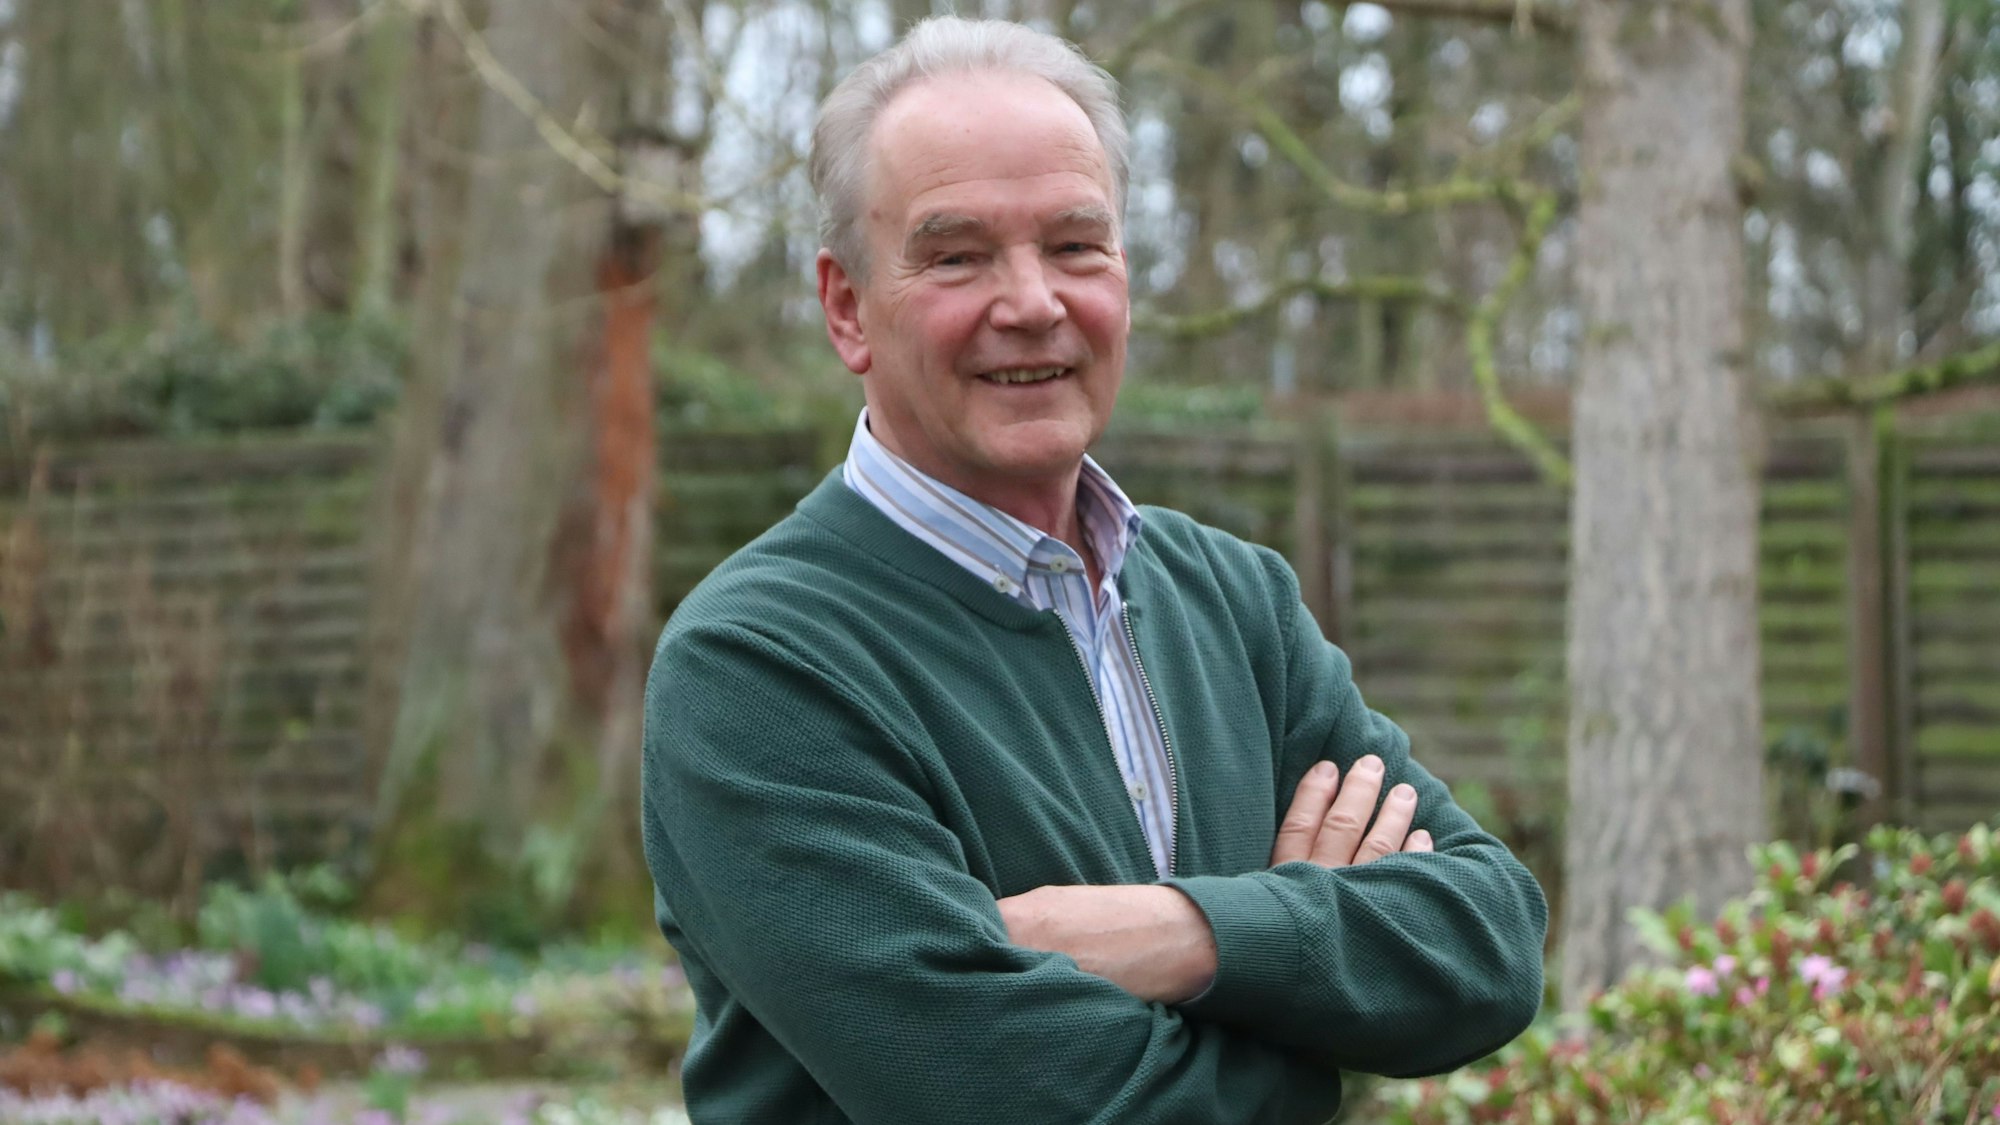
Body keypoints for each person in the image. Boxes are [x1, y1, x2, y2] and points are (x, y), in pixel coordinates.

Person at [640, 17, 1546, 1124]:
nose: (1031, 303)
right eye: (956, 254)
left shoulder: (1233, 600)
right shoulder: (758, 665)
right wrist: (1313, 1016)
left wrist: (1182, 935)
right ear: (845, 307)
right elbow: (1024, 1102)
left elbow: (1489, 941)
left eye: (1075, 245)